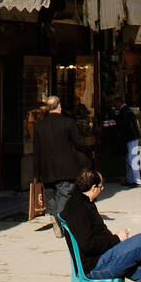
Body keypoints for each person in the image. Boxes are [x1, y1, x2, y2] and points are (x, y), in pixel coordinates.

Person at [33, 95, 92, 239]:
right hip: (66, 168)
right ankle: (60, 219)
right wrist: (88, 150)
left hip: (46, 169)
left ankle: (55, 219)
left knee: (51, 196)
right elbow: (78, 142)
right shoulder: (68, 123)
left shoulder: (39, 126)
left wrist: (36, 173)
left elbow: (36, 151)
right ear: (59, 107)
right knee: (64, 195)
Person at [115, 99, 141, 186]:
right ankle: (131, 179)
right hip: (131, 137)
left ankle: (137, 180)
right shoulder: (126, 110)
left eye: (115, 103)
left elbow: (123, 126)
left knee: (131, 158)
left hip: (131, 138)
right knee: (129, 159)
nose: (115, 105)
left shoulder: (124, 111)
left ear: (119, 103)